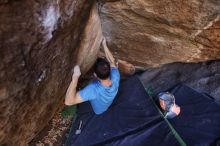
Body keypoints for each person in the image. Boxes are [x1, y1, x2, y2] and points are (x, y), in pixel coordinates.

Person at [64, 38, 120, 114]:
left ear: (95, 75)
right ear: (109, 69)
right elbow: (112, 61)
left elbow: (68, 101)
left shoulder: (93, 90)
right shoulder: (116, 75)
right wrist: (104, 45)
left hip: (98, 110)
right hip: (107, 103)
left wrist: (75, 77)